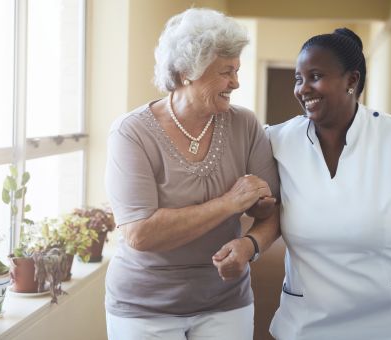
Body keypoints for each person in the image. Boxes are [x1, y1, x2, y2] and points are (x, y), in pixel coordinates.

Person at [104, 8, 280, 340]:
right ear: (188, 71)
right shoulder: (132, 133)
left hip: (226, 299)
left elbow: (272, 211)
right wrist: (230, 203)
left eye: (237, 70)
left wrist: (250, 244)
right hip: (145, 306)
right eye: (227, 72)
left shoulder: (245, 124)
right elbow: (140, 234)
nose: (236, 83)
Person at [267, 28, 391, 340]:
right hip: (307, 319)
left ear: (351, 81)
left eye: (315, 76)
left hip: (389, 318)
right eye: (298, 78)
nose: (302, 88)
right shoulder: (277, 141)